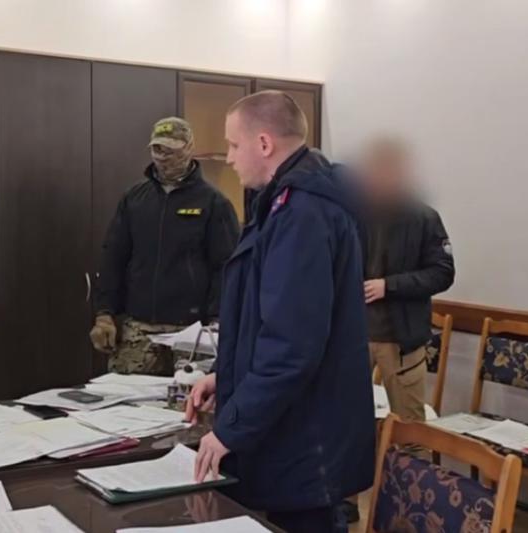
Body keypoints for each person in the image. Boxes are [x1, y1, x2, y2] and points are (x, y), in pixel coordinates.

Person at [185, 91, 375, 533]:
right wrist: (225, 376)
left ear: (264, 143)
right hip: (294, 428)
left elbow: (291, 346)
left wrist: (231, 428)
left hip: (307, 438)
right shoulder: (281, 203)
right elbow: (265, 317)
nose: (229, 157)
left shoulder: (302, 212)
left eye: (234, 145)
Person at [90, 117, 240, 375]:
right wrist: (104, 313)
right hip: (138, 330)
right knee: (125, 397)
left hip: (192, 333)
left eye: (171, 150)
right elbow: (113, 258)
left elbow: (226, 267)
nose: (163, 157)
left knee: (189, 398)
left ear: (189, 148)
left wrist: (218, 321)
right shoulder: (134, 199)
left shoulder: (214, 203)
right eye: (157, 149)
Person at [358, 138, 455, 422]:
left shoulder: (423, 217)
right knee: (349, 424)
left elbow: (442, 273)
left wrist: (389, 286)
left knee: (410, 428)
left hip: (401, 341)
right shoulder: (353, 214)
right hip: (355, 336)